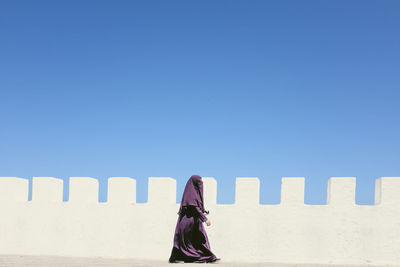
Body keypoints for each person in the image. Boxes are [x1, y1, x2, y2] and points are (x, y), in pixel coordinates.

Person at [168, 175, 220, 263]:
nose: (201, 184)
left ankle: (209, 257)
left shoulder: (193, 193)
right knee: (190, 241)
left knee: (199, 239)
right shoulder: (191, 194)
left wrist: (204, 211)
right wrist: (205, 219)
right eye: (198, 182)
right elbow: (194, 207)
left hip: (194, 221)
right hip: (188, 222)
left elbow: (197, 206)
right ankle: (206, 257)